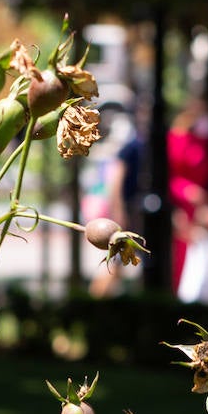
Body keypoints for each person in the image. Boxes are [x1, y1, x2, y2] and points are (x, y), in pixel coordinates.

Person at [167, 98, 208, 300]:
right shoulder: (176, 137)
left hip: (198, 208)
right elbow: (170, 175)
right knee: (180, 260)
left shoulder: (203, 141)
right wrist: (187, 192)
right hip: (182, 205)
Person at [86, 114, 144, 298]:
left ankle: (103, 298)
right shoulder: (132, 146)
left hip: (129, 211)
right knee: (116, 262)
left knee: (119, 263)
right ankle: (98, 298)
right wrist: (118, 212)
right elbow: (116, 180)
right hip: (126, 212)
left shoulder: (138, 145)